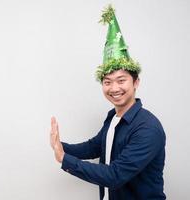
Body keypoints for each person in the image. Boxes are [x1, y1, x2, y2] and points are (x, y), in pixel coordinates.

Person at [49, 5, 166, 200]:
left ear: (136, 82)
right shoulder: (113, 116)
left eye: (121, 80)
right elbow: (95, 146)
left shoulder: (148, 128)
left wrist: (64, 159)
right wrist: (60, 145)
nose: (114, 88)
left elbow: (115, 176)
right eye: (107, 82)